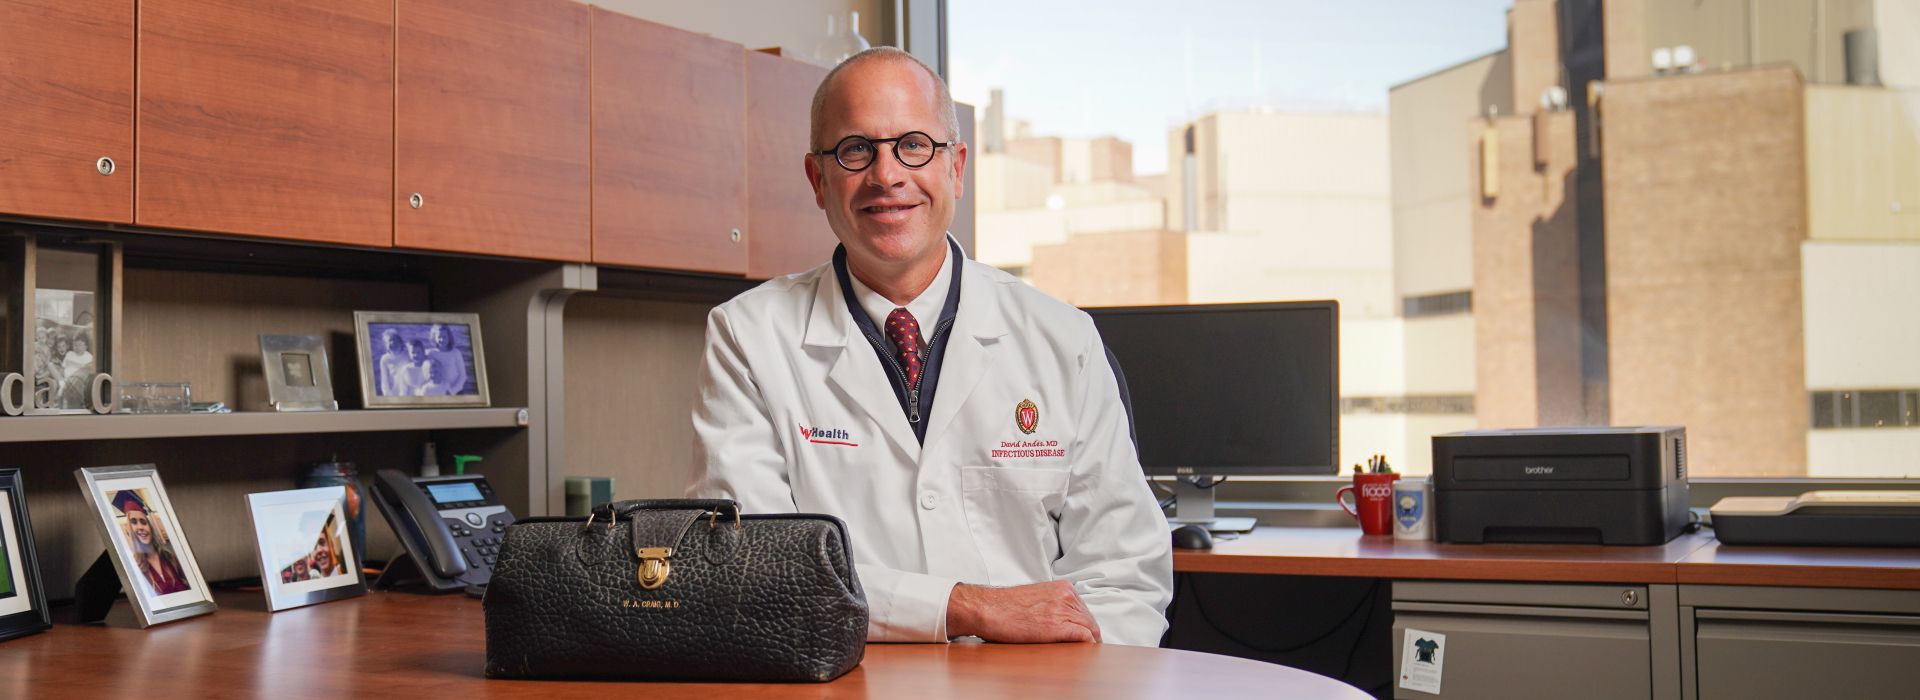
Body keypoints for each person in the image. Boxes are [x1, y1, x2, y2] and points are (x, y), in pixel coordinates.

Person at [687, 47, 1171, 646]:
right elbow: (758, 571)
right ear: (818, 179)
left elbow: (1125, 576)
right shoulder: (749, 337)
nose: (887, 176)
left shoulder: (1061, 337)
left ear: (957, 168)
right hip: (847, 683)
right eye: (855, 149)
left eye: (913, 145)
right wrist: (963, 608)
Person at [111, 491, 193, 596]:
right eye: (134, 522)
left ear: (150, 527)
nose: (140, 527)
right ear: (130, 529)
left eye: (143, 522)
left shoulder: (169, 557)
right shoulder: (133, 566)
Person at [425, 325, 470, 395]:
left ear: (449, 337)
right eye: (439, 337)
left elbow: (463, 376)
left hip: (455, 392)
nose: (442, 340)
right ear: (434, 338)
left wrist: (452, 391)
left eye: (444, 337)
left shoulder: (455, 353)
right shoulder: (431, 354)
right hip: (438, 391)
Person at [377, 329, 409, 396]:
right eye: (389, 341)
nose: (392, 343)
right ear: (386, 346)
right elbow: (384, 381)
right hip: (395, 395)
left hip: (409, 393)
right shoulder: (385, 359)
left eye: (395, 340)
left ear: (401, 342)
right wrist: (388, 396)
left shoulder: (408, 354)